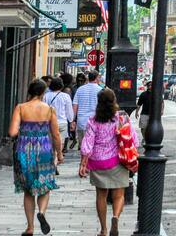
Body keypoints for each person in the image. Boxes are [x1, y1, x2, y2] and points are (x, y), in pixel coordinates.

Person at [79, 88, 136, 236]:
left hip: (98, 162)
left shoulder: (93, 121)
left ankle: (103, 230)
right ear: (114, 101)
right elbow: (133, 138)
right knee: (119, 195)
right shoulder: (121, 118)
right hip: (118, 160)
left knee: (101, 196)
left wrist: (83, 164)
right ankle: (115, 217)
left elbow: (87, 144)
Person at [10, 79, 62, 236]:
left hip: (24, 150)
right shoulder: (49, 110)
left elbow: (12, 132)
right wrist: (59, 153)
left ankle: (30, 227)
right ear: (42, 93)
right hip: (44, 150)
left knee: (28, 190)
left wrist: (25, 132)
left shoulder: (20, 107)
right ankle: (42, 212)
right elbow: (56, 134)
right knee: (45, 186)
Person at [44, 78, 74, 161]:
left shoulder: (46, 96)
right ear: (61, 86)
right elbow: (69, 111)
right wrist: (71, 121)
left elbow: (44, 109)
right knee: (60, 143)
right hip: (62, 123)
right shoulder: (66, 96)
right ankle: (56, 160)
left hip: (49, 122)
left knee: (51, 143)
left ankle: (54, 159)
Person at [73, 70, 102, 154]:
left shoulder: (80, 90)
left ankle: (83, 163)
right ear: (97, 78)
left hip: (81, 121)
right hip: (95, 121)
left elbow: (75, 105)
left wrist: (72, 120)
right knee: (94, 145)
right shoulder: (100, 90)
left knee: (83, 146)